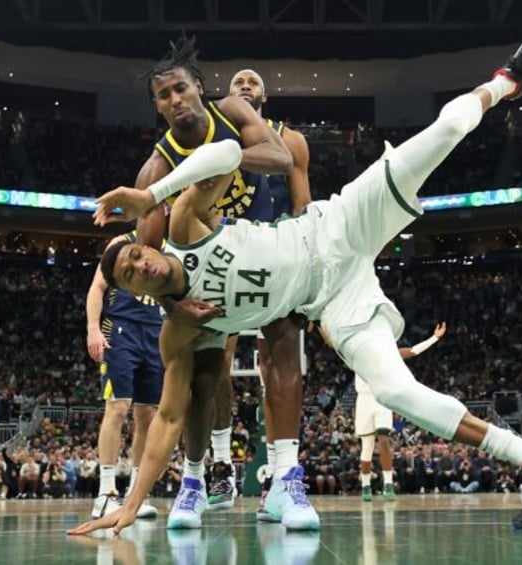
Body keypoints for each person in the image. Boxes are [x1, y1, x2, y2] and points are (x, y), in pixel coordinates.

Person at [70, 28, 522, 536]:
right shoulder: (181, 329)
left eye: (136, 254)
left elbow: (228, 157)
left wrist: (153, 193)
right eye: (130, 270)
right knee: (394, 390)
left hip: (336, 226)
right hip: (330, 298)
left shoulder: (185, 220)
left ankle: (505, 80)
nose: (141, 263)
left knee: (442, 134)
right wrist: (131, 502)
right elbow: (165, 419)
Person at [127, 35, 315, 529]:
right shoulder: (157, 165)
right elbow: (144, 258)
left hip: (262, 249)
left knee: (284, 342)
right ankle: (198, 478)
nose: (175, 101)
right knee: (207, 370)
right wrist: (172, 307)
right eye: (163, 96)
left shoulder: (232, 112)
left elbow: (277, 159)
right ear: (157, 107)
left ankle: (285, 480)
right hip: (208, 270)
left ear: (199, 88)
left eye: (181, 90)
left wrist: (214, 159)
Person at [206, 68, 312, 520]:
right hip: (226, 255)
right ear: (228, 98)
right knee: (215, 367)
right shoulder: (214, 140)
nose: (245, 85)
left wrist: (307, 264)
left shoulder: (293, 141)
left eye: (252, 82)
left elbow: (302, 204)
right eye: (237, 83)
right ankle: (220, 465)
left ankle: (282, 478)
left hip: (276, 254)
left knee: (279, 361)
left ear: (264, 95)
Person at [85, 231, 162, 519]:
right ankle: (105, 494)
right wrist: (93, 327)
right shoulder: (122, 242)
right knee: (118, 407)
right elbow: (97, 287)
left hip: (157, 331)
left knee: (148, 415)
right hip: (121, 328)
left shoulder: (175, 241)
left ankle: (135, 495)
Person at [355, 322, 447, 501]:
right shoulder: (355, 353)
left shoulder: (388, 354)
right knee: (366, 448)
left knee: (384, 440)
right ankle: (365, 485)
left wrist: (435, 338)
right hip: (364, 401)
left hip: (381, 399)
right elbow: (333, 344)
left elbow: (413, 351)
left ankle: (388, 484)